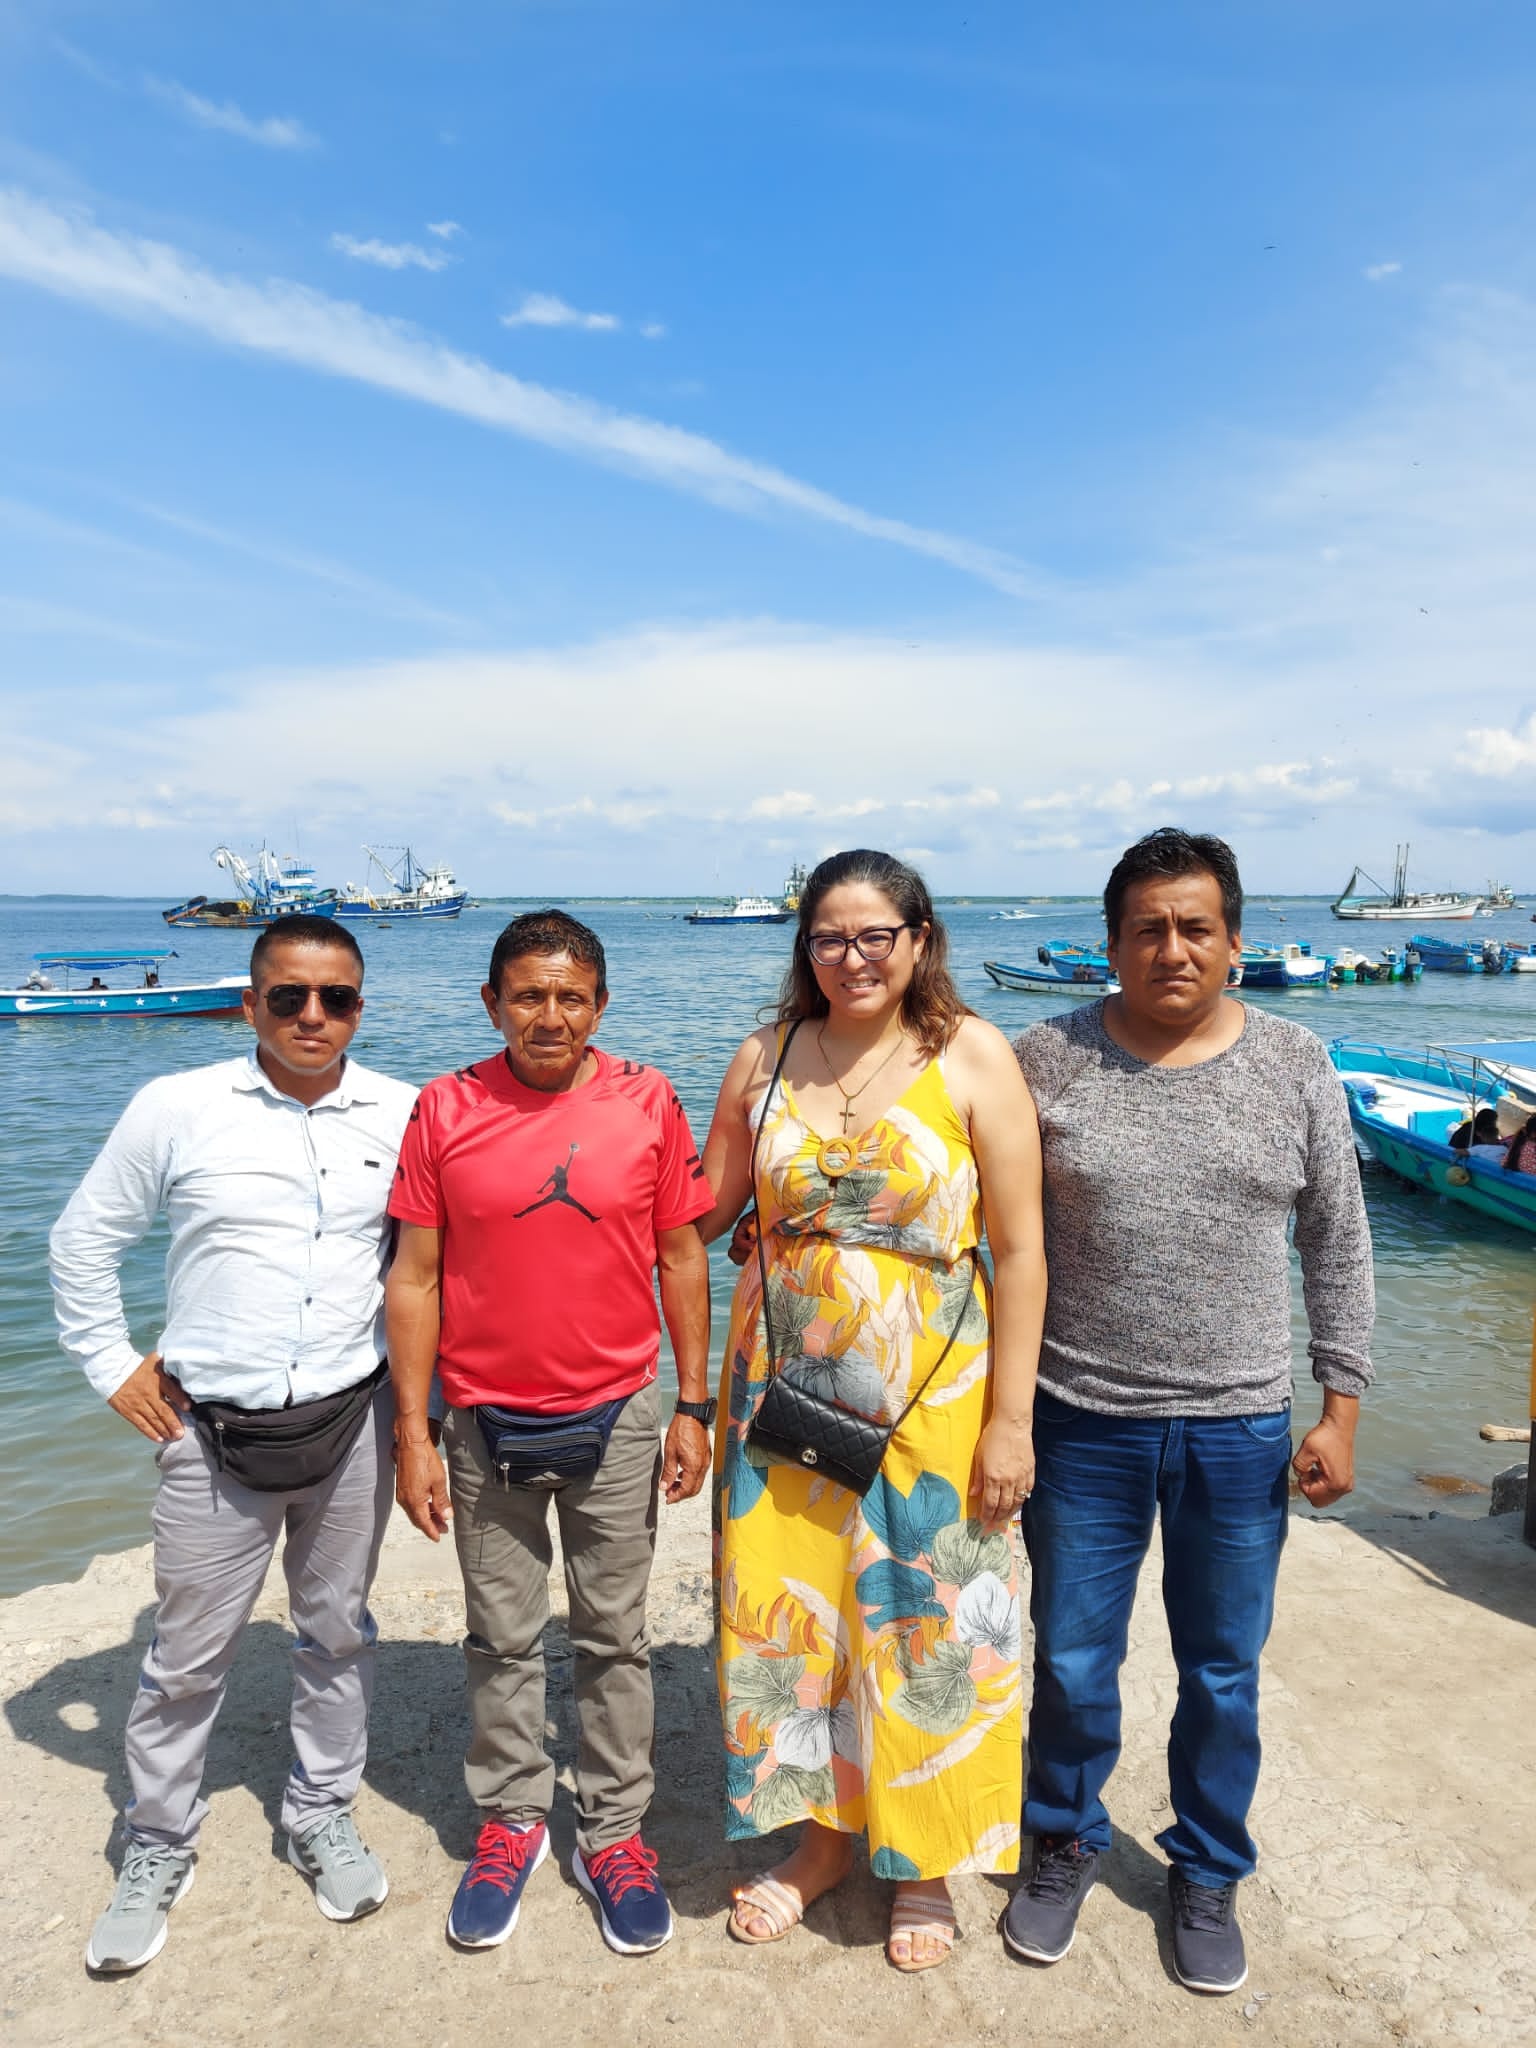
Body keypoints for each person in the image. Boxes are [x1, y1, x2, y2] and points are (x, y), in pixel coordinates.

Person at [1006, 828, 1373, 1997]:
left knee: (1223, 1671)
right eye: (1149, 928)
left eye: (1196, 926)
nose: (1173, 948)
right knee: (1071, 1659)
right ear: (1112, 944)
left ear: (1235, 939)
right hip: (1081, 1419)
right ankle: (1062, 1836)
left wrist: (1341, 1409)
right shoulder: (1044, 1058)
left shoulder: (1295, 1060)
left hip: (1240, 1425)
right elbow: (977, 1224)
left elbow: (1338, 1242)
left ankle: (1207, 1867)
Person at [49, 913, 417, 1974]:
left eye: (335, 997)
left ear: (359, 1007)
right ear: (251, 1003)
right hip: (209, 1429)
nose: (312, 1015)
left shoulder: (402, 1111)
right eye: (288, 996)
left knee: (337, 1634)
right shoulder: (178, 1106)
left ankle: (320, 1811)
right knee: (184, 1659)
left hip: (352, 1419)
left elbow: (433, 1262)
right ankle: (158, 1839)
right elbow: (82, 1239)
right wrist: (110, 1363)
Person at [699, 849, 1046, 1973]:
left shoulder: (973, 1055)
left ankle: (925, 1860)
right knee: (792, 1615)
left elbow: (1020, 1250)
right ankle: (822, 1843)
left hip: (934, 1396)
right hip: (782, 1393)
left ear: (919, 939)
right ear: (805, 947)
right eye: (828, 938)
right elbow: (700, 1208)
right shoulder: (764, 1056)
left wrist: (1011, 1421)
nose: (851, 958)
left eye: (874, 936)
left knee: (924, 1617)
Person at [386, 909, 713, 1957]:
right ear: (493, 1003)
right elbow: (415, 1276)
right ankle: (514, 1819)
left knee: (615, 1634)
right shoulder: (446, 1106)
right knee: (501, 1634)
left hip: (619, 1412)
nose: (550, 1015)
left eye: (572, 996)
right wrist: (413, 1431)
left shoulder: (647, 1098)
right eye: (529, 995)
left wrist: (693, 1403)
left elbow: (682, 1256)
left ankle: (612, 1833)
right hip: (483, 1418)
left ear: (600, 1005)